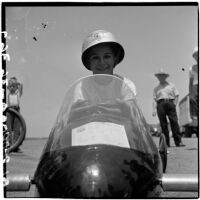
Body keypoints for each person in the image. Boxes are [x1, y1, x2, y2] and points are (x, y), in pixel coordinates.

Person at [81, 29, 137, 96]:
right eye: (95, 58)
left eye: (107, 56)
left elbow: (130, 105)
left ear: (115, 59)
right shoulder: (81, 88)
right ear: (88, 62)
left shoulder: (126, 85)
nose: (102, 62)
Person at [152, 69, 185, 147]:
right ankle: (166, 143)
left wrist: (174, 104)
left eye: (162, 76)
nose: (161, 77)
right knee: (163, 124)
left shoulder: (171, 85)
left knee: (174, 122)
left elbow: (176, 95)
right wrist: (154, 110)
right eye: (159, 76)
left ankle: (178, 142)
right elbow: (154, 100)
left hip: (170, 103)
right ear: (157, 77)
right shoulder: (156, 88)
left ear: (165, 77)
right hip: (160, 104)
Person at [7, 77, 23, 153]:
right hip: (9, 112)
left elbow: (21, 86)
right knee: (8, 129)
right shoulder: (7, 93)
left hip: (16, 112)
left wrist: (18, 83)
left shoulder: (18, 93)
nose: (12, 88)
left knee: (17, 129)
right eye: (10, 86)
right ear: (8, 87)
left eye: (14, 86)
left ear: (16, 86)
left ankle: (15, 147)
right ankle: (9, 146)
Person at [189, 46, 198, 117]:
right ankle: (194, 116)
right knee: (193, 99)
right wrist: (191, 93)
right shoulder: (192, 68)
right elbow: (190, 82)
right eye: (196, 55)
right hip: (195, 86)